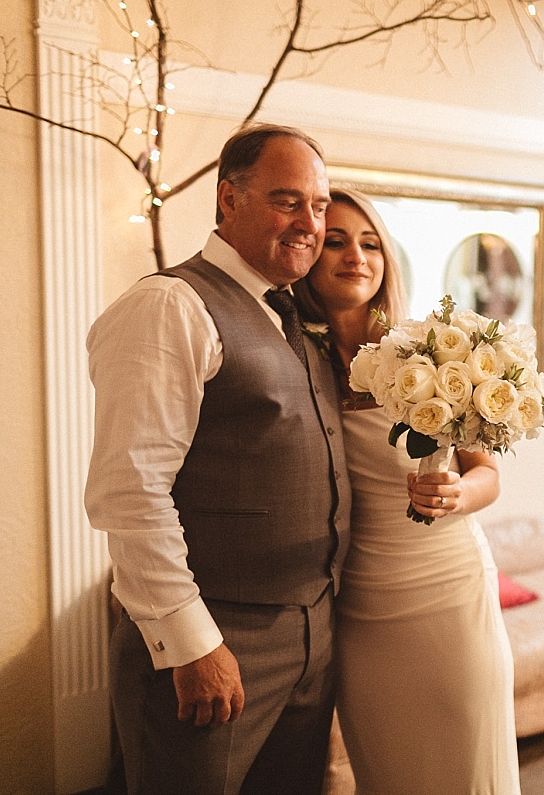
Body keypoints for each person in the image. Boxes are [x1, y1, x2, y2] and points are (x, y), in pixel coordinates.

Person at [85, 124, 350, 794]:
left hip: (312, 633)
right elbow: (130, 490)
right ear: (228, 201)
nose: (309, 223)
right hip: (216, 636)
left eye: (318, 206)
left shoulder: (294, 316)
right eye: (287, 200)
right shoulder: (168, 305)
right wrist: (192, 642)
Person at [293, 188, 522, 794]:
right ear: (309, 254)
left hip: (447, 590)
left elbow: (488, 474)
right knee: (390, 772)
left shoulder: (433, 350)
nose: (355, 257)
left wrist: (456, 494)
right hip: (360, 605)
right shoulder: (291, 357)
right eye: (336, 241)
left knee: (464, 769)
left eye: (370, 243)